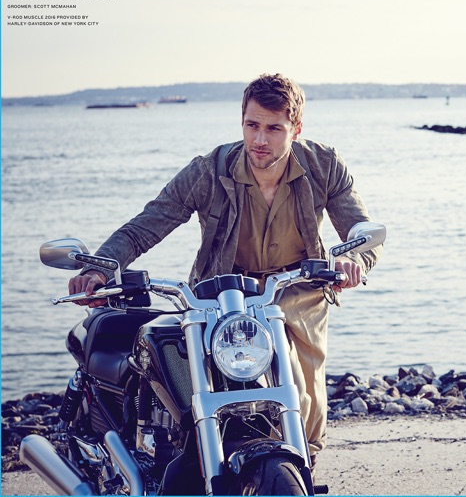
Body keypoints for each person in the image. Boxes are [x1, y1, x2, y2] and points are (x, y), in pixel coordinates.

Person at [67, 72, 382, 469]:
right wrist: (100, 268)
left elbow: (361, 230)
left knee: (305, 406)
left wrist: (353, 261)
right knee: (197, 391)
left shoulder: (324, 165)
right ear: (242, 121)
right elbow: (150, 222)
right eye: (252, 126)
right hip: (223, 292)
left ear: (296, 130)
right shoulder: (209, 170)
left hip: (297, 290)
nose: (260, 140)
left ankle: (300, 469)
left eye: (273, 128)